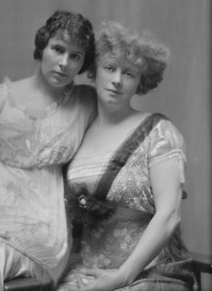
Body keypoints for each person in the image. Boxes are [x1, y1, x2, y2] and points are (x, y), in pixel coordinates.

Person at [58, 21, 195, 291]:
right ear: (93, 71)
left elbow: (169, 214)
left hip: (150, 276)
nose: (117, 80)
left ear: (140, 82)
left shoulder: (159, 132)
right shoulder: (76, 134)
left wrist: (120, 278)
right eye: (109, 68)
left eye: (129, 73)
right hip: (88, 274)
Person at [0, 10, 97, 290]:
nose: (64, 63)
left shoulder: (86, 103)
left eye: (76, 56)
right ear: (42, 47)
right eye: (58, 49)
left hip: (40, 223)